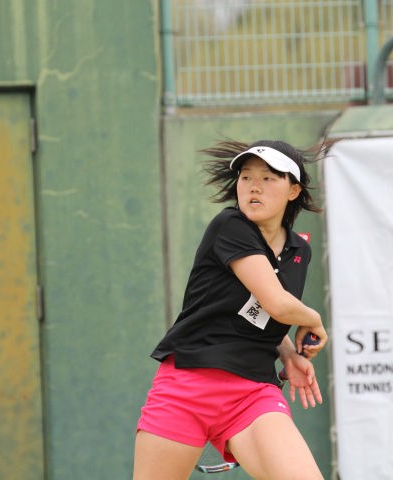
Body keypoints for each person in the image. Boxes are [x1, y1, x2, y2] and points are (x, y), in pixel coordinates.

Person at [133, 139, 329, 480]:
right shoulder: (230, 226)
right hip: (187, 385)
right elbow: (277, 303)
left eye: (268, 178)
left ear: (293, 190)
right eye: (246, 177)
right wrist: (314, 320)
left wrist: (286, 354)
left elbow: (259, 312)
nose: (253, 186)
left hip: (251, 394)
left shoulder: (299, 251)